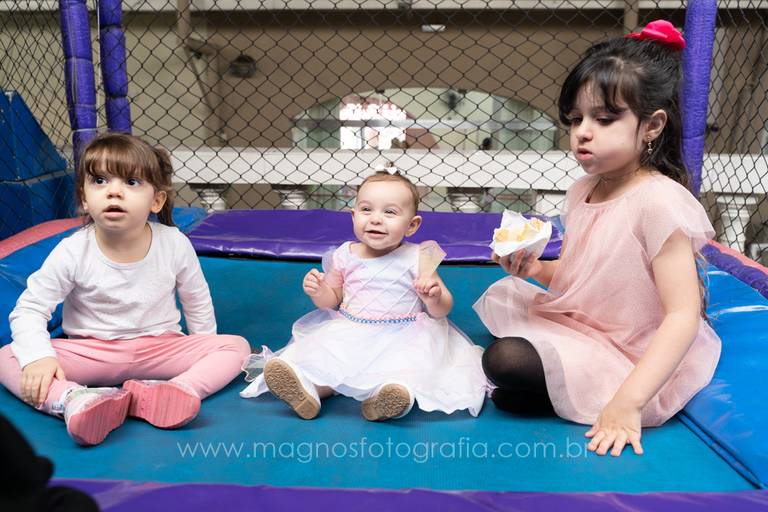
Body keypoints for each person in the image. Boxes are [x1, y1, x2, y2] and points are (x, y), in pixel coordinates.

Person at [474, 20, 721, 457]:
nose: (583, 132)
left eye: (604, 119)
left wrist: (628, 403)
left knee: (505, 360)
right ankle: (556, 391)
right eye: (575, 119)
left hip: (633, 352)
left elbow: (682, 316)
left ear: (652, 125)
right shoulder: (584, 190)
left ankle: (572, 393)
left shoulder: (659, 202)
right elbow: (583, 278)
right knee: (503, 304)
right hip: (585, 325)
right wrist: (534, 268)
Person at [0, 133, 251, 445]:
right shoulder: (73, 250)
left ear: (156, 200)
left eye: (131, 182)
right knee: (8, 357)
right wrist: (39, 358)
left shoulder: (174, 243)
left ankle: (178, 389)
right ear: (84, 198)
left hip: (160, 350)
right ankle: (73, 400)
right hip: (93, 353)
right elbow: (30, 309)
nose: (114, 191)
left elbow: (196, 299)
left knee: (235, 347)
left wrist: (203, 349)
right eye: (100, 181)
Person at [241, 171, 487, 420]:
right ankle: (309, 391)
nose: (375, 219)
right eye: (366, 210)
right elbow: (331, 300)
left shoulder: (419, 256)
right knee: (328, 363)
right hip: (350, 331)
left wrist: (433, 297)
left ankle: (383, 399)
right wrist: (319, 291)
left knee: (403, 368)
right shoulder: (345, 254)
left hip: (404, 336)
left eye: (389, 212)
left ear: (412, 225)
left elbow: (442, 309)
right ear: (353, 215)